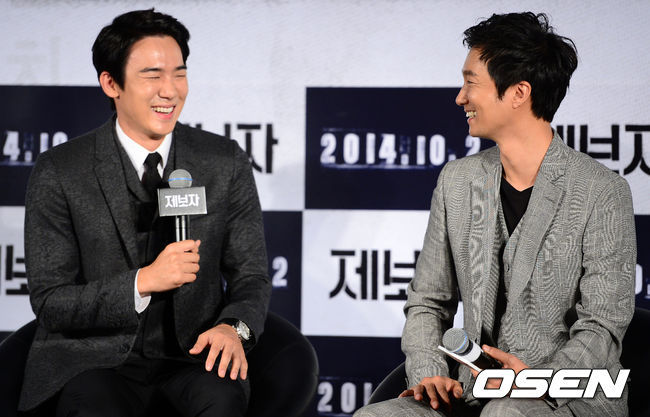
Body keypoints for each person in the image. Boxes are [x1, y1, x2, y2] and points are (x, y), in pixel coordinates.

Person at [355, 12, 636, 417]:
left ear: (519, 92)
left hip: (568, 396)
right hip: (470, 392)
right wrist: (430, 373)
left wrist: (538, 381)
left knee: (506, 413)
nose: (460, 98)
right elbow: (428, 301)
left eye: (471, 83)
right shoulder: (457, 180)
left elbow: (602, 324)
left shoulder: (601, 190)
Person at [18, 9, 271, 417]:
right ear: (111, 83)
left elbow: (251, 275)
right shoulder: (60, 171)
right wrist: (143, 282)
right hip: (94, 360)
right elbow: (51, 301)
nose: (169, 91)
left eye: (179, 74)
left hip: (193, 357)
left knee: (221, 400)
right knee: (93, 404)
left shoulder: (224, 162)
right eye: (152, 76)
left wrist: (234, 328)